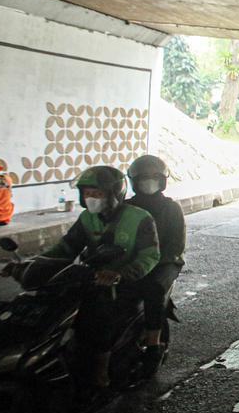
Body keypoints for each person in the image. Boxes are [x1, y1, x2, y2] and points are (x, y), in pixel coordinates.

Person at [40, 165, 160, 389]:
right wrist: (36, 264)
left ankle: (100, 372)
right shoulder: (87, 218)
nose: (91, 198)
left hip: (127, 280)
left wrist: (121, 274)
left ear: (114, 194)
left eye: (98, 193)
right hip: (92, 276)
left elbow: (150, 255)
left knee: (99, 315)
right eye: (87, 194)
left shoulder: (140, 218)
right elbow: (66, 248)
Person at [125, 155, 185, 354]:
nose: (148, 181)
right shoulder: (126, 207)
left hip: (165, 262)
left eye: (153, 177)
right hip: (134, 261)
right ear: (134, 181)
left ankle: (153, 344)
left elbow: (176, 246)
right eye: (143, 177)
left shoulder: (171, 208)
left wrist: (151, 264)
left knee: (154, 288)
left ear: (162, 180)